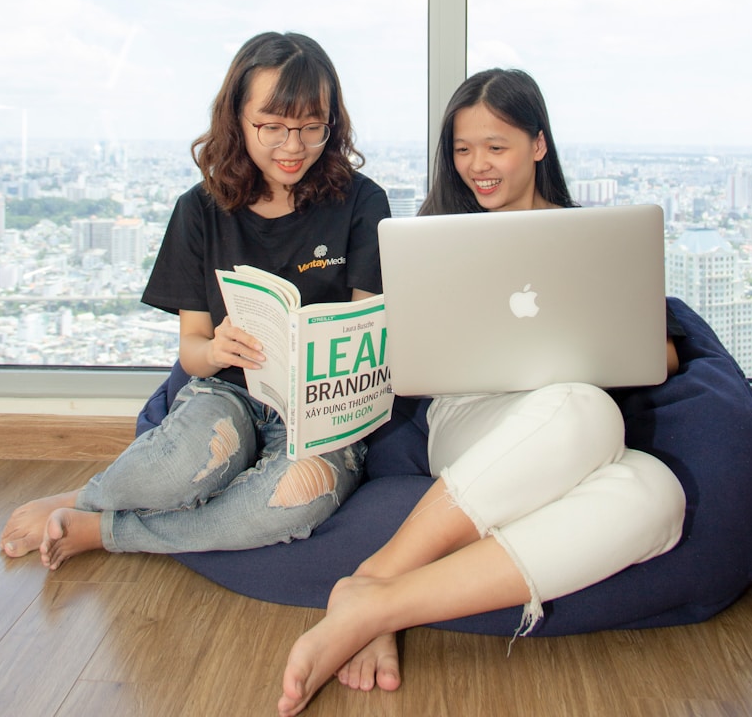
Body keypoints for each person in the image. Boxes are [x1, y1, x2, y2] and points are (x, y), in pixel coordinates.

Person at [278, 68, 687, 716]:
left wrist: (588, 335)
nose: (477, 166)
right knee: (589, 411)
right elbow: (400, 345)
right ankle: (379, 573)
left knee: (658, 496)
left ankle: (376, 600)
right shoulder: (436, 234)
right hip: (472, 420)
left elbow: (659, 352)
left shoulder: (587, 238)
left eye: (495, 147)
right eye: (463, 150)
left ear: (538, 144)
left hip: (566, 421)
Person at [1, 31, 390, 570]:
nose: (293, 145)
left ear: (332, 121)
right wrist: (218, 350)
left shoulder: (362, 202)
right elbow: (191, 352)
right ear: (238, 117)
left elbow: (370, 330)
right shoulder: (201, 209)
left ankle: (105, 525)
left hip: (320, 411)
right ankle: (90, 493)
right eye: (271, 126)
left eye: (310, 127)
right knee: (173, 470)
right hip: (224, 392)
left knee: (294, 502)